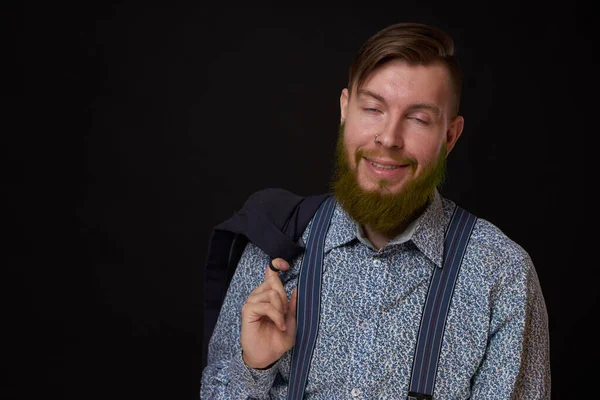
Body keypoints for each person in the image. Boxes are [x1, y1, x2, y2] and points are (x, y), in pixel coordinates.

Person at [200, 22, 551, 399]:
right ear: (344, 109)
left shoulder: (502, 275)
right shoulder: (276, 246)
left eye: (418, 119)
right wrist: (255, 367)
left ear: (449, 136)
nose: (388, 137)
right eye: (372, 108)